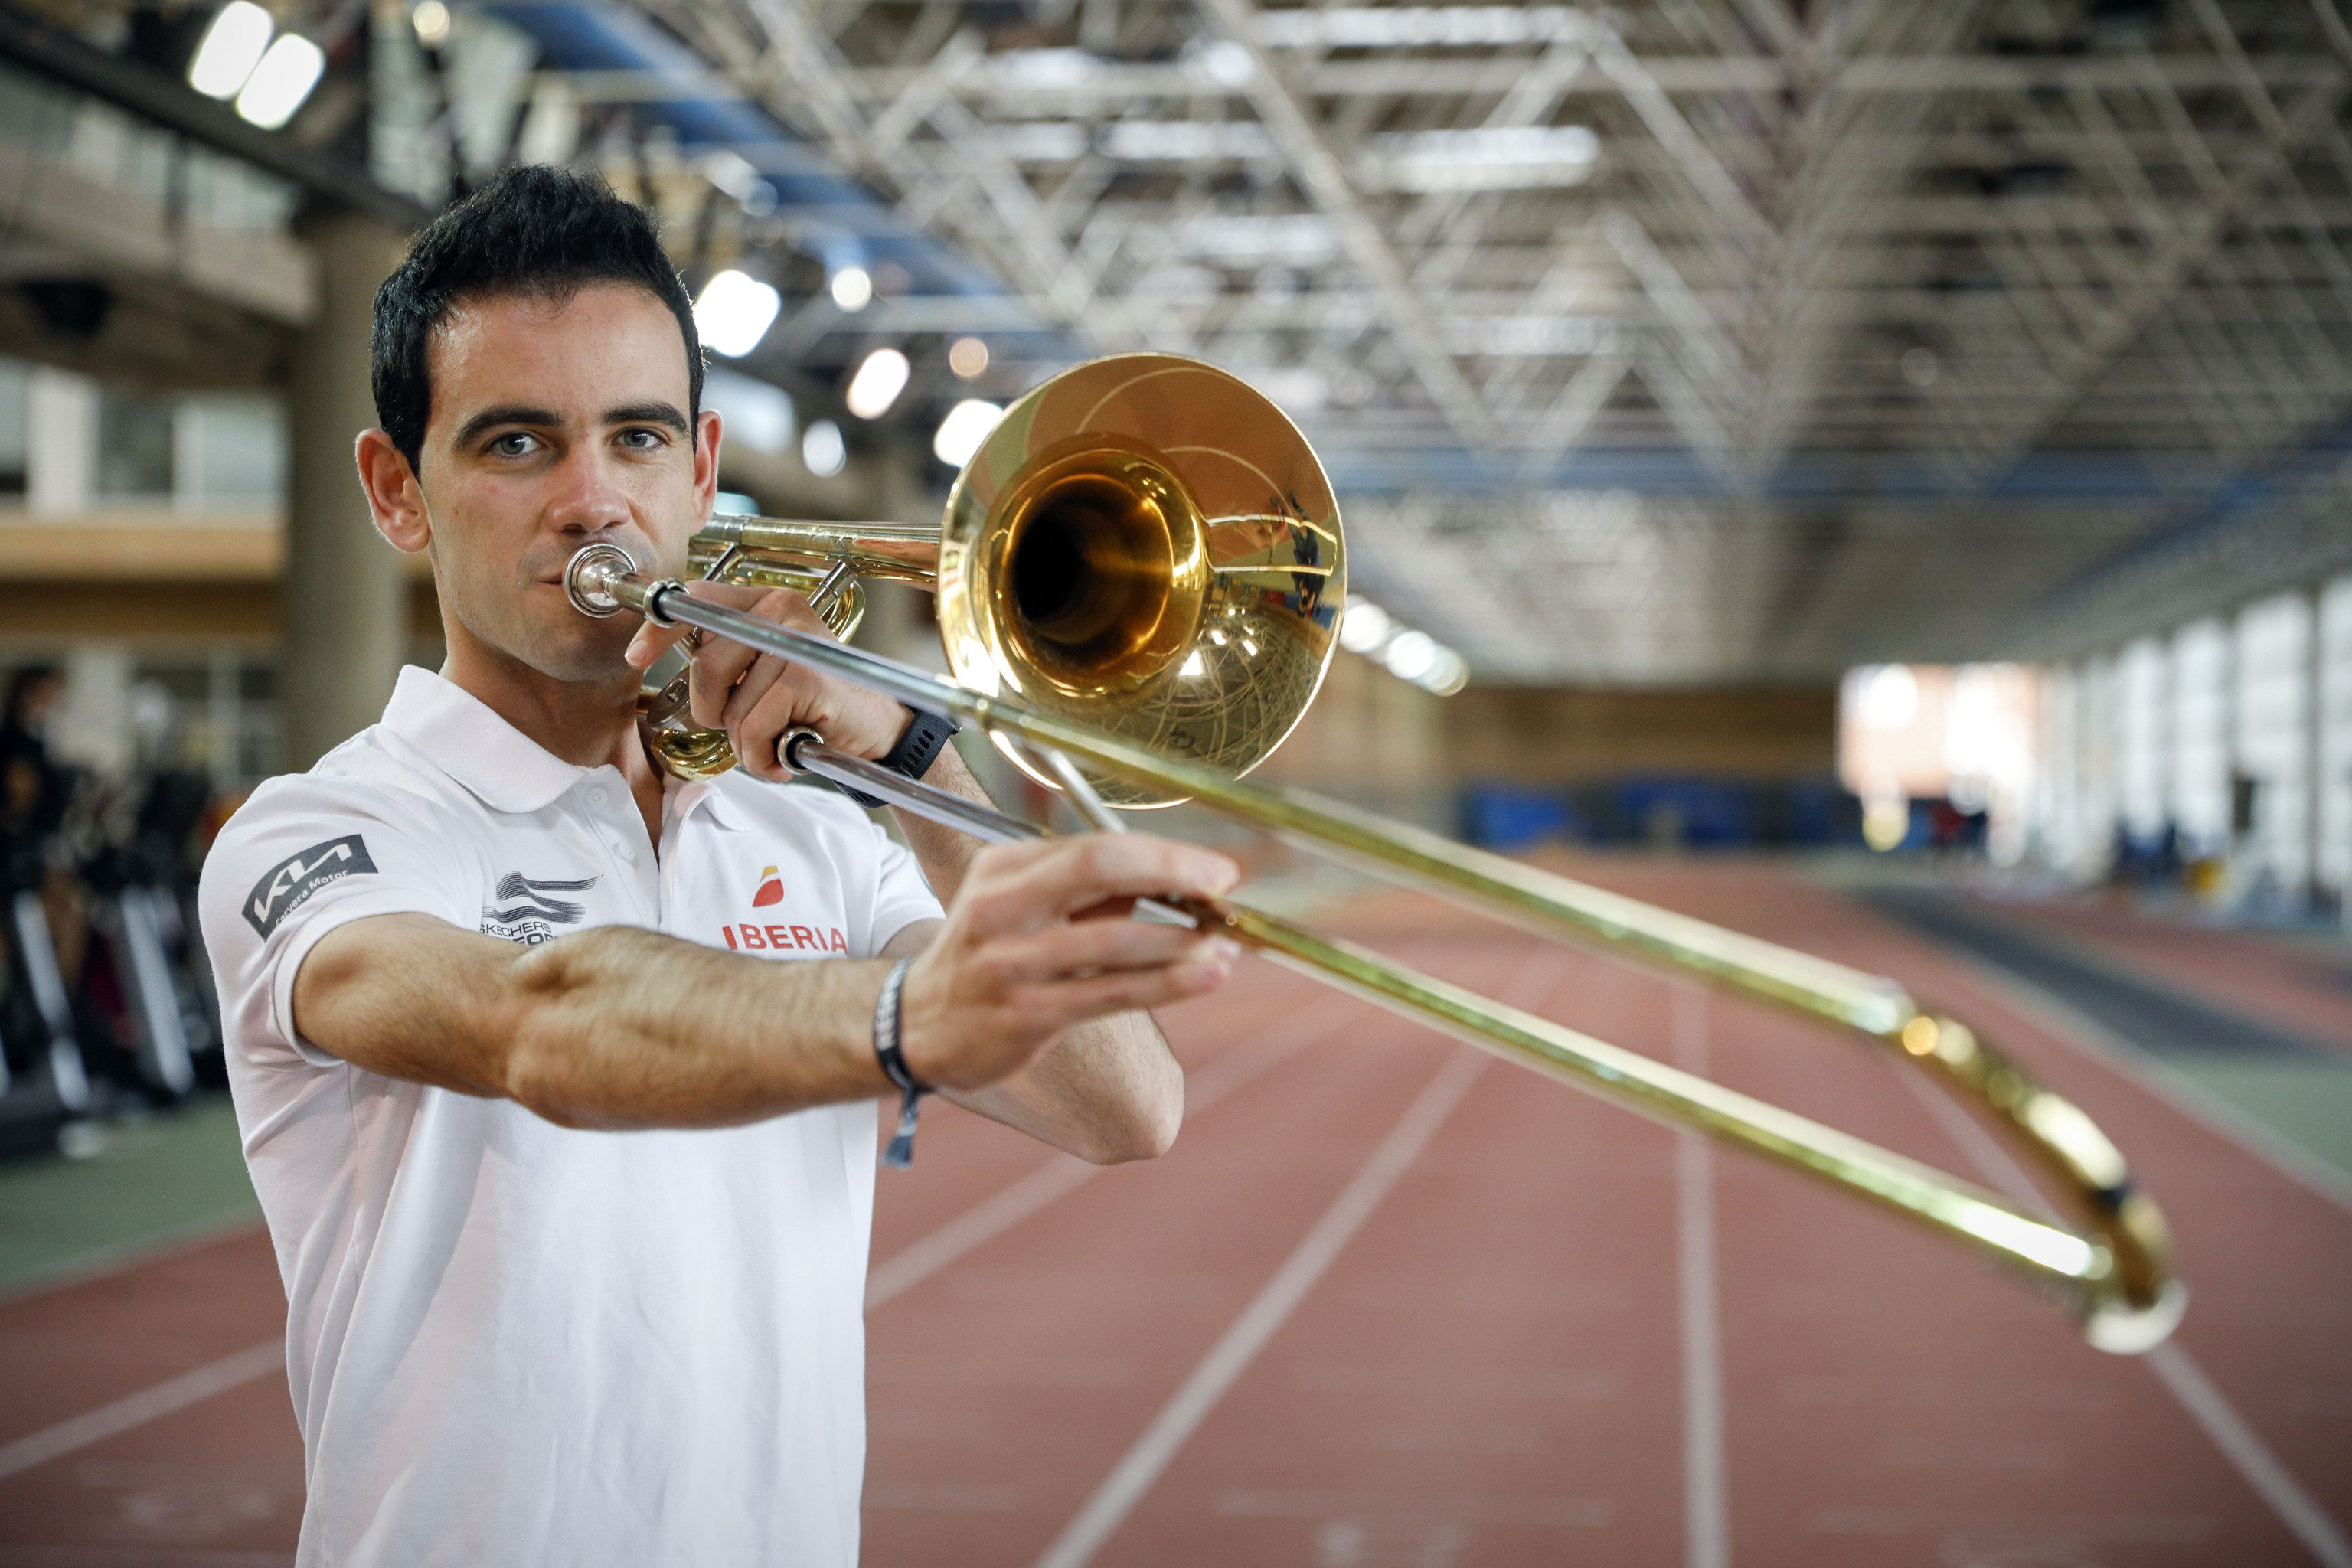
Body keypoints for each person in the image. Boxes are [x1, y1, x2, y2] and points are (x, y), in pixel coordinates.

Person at [196, 167, 1241, 1566]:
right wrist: (896, 1021)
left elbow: (1127, 1106)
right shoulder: (321, 832)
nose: (590, 503)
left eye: (633, 438)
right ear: (397, 493)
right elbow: (537, 1023)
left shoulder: (813, 822)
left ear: (699, 471)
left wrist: (916, 751)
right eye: (515, 445)